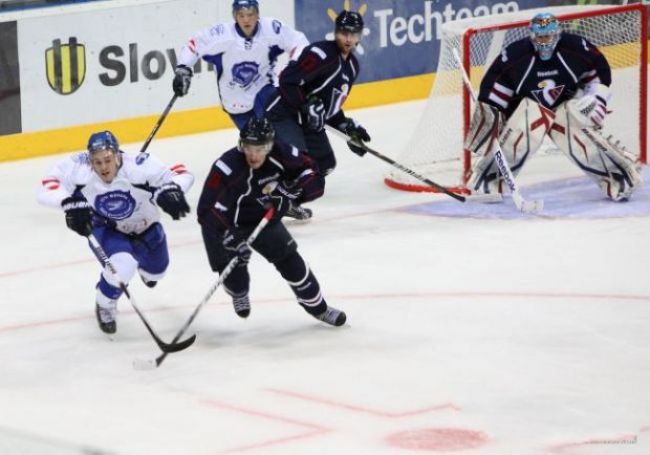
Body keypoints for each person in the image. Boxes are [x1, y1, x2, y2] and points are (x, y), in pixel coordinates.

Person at [465, 12, 642, 201]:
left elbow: (598, 68)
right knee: (523, 126)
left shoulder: (575, 49)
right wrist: (491, 116)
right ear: (532, 36)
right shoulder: (516, 56)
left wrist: (596, 96)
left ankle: (619, 179)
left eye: (548, 36)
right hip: (525, 110)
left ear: (557, 34)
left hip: (565, 107)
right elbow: (495, 85)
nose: (544, 42)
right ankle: (488, 183)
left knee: (576, 129)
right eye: (540, 36)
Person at [37, 131, 194, 334]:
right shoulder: (79, 167)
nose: (103, 167)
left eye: (108, 160)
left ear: (118, 155)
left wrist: (172, 189)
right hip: (107, 228)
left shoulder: (138, 166)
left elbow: (182, 173)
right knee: (122, 268)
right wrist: (68, 202)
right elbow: (46, 187)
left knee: (157, 272)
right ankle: (105, 302)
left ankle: (146, 270)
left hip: (146, 226)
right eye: (97, 162)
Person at [196, 116, 346, 327]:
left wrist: (295, 192)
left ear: (271, 145)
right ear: (241, 144)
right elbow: (207, 209)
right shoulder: (226, 167)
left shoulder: (283, 154)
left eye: (261, 148)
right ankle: (239, 292)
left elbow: (313, 174)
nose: (254, 154)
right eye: (248, 147)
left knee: (293, 264)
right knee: (236, 280)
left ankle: (319, 308)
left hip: (263, 220)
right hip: (227, 225)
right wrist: (229, 238)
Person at [265, 10, 373, 220]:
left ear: (360, 35)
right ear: (336, 33)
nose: (348, 39)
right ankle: (264, 196)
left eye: (353, 34)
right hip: (284, 112)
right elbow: (287, 80)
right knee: (300, 163)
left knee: (324, 164)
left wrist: (348, 127)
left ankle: (288, 201)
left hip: (306, 120)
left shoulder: (352, 66)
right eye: (344, 33)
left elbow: (329, 108)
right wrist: (307, 104)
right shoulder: (320, 54)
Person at [172, 0, 308, 129]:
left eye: (250, 14)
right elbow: (193, 45)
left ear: (257, 14)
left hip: (265, 91)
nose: (246, 20)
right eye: (241, 15)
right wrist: (183, 69)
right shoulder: (220, 36)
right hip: (235, 104)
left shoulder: (271, 29)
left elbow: (298, 42)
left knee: (282, 137)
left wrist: (294, 66)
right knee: (259, 146)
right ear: (235, 16)